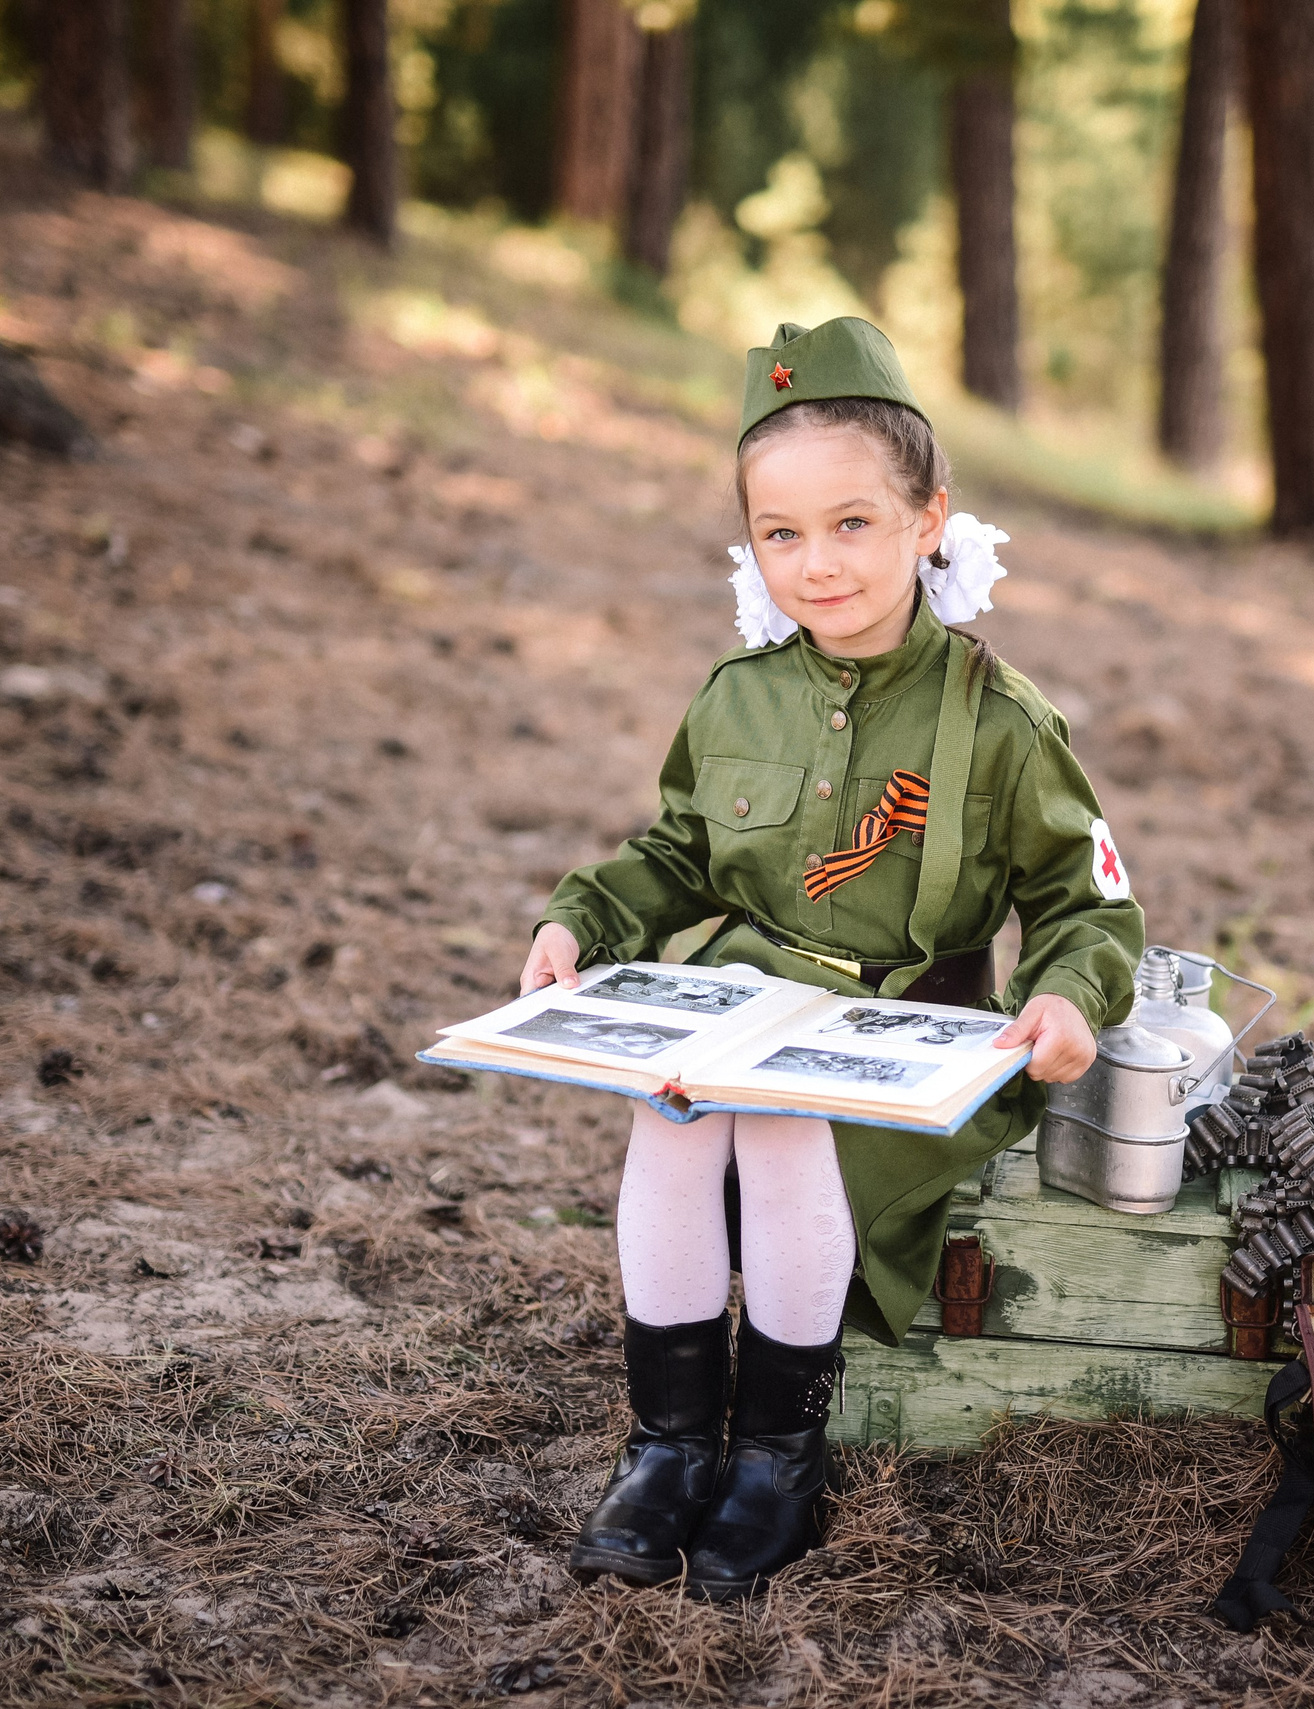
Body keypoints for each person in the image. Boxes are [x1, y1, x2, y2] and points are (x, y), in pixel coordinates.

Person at [519, 318, 1143, 1600]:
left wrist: (1069, 999)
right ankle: (669, 1448)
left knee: (782, 1115)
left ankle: (777, 1461)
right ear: (749, 541)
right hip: (741, 999)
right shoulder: (737, 696)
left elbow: (1085, 906)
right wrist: (585, 918)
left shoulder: (1003, 723)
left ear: (928, 519)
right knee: (677, 1108)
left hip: (908, 1035)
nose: (818, 564)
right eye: (781, 532)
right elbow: (678, 856)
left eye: (853, 523)